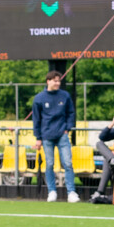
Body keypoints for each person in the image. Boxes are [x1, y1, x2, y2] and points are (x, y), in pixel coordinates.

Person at [31, 71, 79, 203]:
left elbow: (71, 113)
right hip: (47, 136)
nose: (58, 83)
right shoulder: (39, 98)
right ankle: (52, 191)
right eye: (55, 81)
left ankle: (71, 192)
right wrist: (38, 137)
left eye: (59, 81)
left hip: (62, 135)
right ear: (48, 81)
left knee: (68, 163)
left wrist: (67, 128)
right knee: (49, 164)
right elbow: (36, 119)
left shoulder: (65, 95)